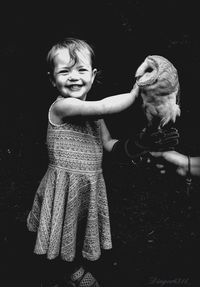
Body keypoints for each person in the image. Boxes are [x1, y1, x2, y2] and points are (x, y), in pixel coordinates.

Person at [26, 37, 179, 287]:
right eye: (64, 71)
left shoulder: (94, 117)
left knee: (75, 230)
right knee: (62, 228)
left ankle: (66, 269)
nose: (74, 77)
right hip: (65, 186)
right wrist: (135, 92)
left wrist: (142, 143)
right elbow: (105, 106)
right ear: (53, 79)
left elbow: (110, 145)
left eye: (81, 70)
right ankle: (69, 272)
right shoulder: (63, 107)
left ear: (94, 75)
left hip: (88, 185)